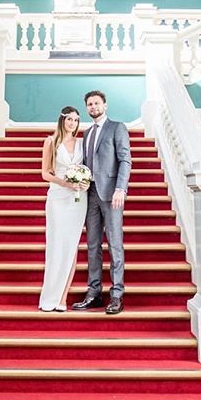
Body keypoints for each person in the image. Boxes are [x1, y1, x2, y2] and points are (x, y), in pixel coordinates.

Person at [72, 90, 131, 315]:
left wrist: (120, 188)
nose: (93, 107)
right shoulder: (86, 134)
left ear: (104, 105)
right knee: (93, 245)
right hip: (91, 193)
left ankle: (116, 295)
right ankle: (94, 293)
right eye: (89, 104)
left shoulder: (117, 127)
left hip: (112, 193)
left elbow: (125, 159)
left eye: (97, 103)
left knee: (115, 244)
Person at [38, 106, 89, 312]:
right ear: (62, 120)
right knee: (57, 244)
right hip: (58, 197)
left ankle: (63, 298)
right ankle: (49, 295)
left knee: (71, 245)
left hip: (78, 198)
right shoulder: (51, 142)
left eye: (76, 120)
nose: (73, 124)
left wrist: (84, 181)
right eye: (70, 119)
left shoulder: (81, 143)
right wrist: (65, 183)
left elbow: (88, 167)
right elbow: (45, 174)